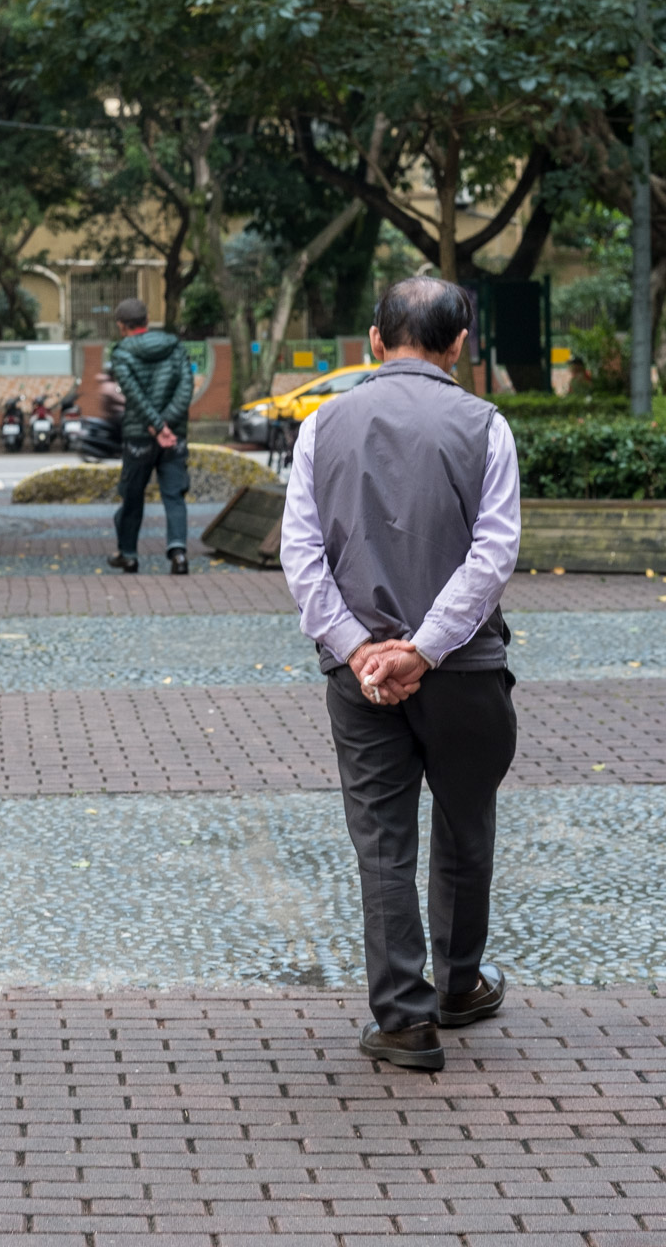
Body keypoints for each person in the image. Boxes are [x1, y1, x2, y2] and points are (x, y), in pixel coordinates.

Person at [280, 276, 521, 1072]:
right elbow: (494, 554)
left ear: (375, 339)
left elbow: (301, 555)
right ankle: (459, 986)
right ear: (459, 346)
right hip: (465, 669)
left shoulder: (321, 427)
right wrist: (427, 647)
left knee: (382, 842)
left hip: (361, 679)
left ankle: (404, 1021)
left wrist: (358, 649)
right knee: (466, 823)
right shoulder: (486, 425)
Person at [107, 298, 194, 575]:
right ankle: (178, 554)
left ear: (122, 325)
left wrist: (155, 426)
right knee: (174, 494)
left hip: (139, 436)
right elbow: (186, 387)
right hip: (174, 434)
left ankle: (128, 554)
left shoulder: (121, 353)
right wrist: (166, 425)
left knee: (132, 495)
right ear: (146, 320)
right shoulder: (175, 346)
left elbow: (133, 394)